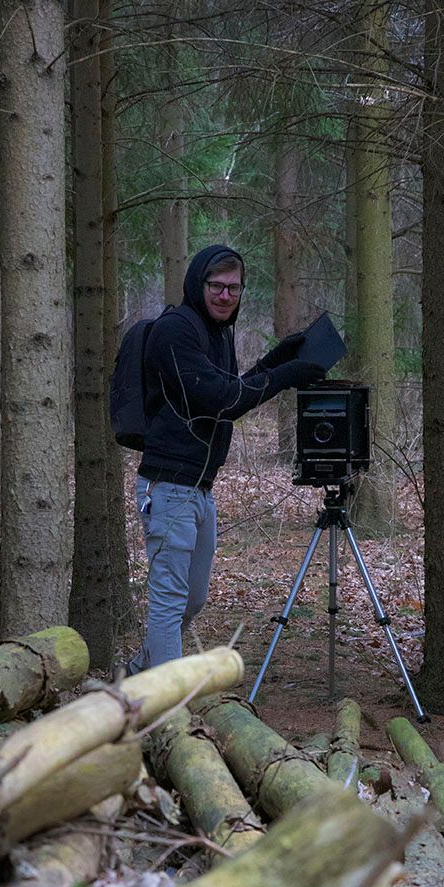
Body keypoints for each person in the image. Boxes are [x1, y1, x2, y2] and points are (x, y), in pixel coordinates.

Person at [126, 243, 326, 673]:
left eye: (233, 288)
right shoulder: (176, 330)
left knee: (192, 598)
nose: (224, 295)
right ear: (198, 284)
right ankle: (167, 710)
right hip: (169, 486)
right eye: (215, 286)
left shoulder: (217, 334)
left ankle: (139, 671)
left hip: (200, 488)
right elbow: (221, 400)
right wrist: (285, 374)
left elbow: (230, 388)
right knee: (169, 599)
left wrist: (278, 358)